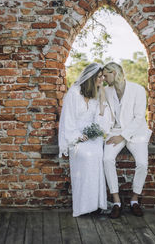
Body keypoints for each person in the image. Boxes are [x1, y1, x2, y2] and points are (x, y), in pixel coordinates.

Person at [58, 63, 111, 217]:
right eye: (100, 77)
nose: (102, 80)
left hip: (92, 136)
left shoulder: (96, 93)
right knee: (86, 156)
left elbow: (100, 121)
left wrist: (102, 98)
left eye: (103, 77)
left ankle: (97, 203)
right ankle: (84, 206)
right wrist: (77, 136)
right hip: (76, 135)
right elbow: (67, 119)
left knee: (97, 154)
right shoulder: (74, 93)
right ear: (91, 77)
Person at [102, 62, 152, 218]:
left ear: (114, 73)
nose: (103, 78)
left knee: (143, 163)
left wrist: (122, 136)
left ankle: (134, 200)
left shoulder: (138, 90)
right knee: (107, 159)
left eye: (106, 75)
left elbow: (139, 117)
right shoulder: (105, 91)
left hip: (136, 132)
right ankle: (116, 201)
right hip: (115, 131)